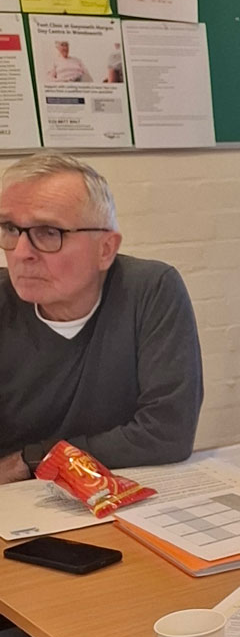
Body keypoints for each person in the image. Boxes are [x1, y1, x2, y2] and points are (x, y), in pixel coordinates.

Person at [0, 151, 203, 478]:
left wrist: (31, 459)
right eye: (10, 229)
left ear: (105, 249)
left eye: (49, 233)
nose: (22, 253)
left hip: (124, 491)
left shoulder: (149, 290)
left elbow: (168, 434)